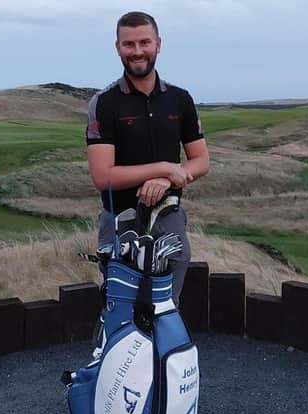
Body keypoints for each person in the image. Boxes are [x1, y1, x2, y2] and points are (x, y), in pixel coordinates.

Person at [86, 11, 209, 305]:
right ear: (117, 47)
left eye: (145, 42)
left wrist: (164, 179)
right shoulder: (104, 103)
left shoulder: (180, 99)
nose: (137, 51)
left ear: (158, 44)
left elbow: (201, 160)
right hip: (120, 224)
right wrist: (164, 167)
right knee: (123, 313)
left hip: (169, 219)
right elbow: (103, 178)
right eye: (129, 44)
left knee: (166, 308)